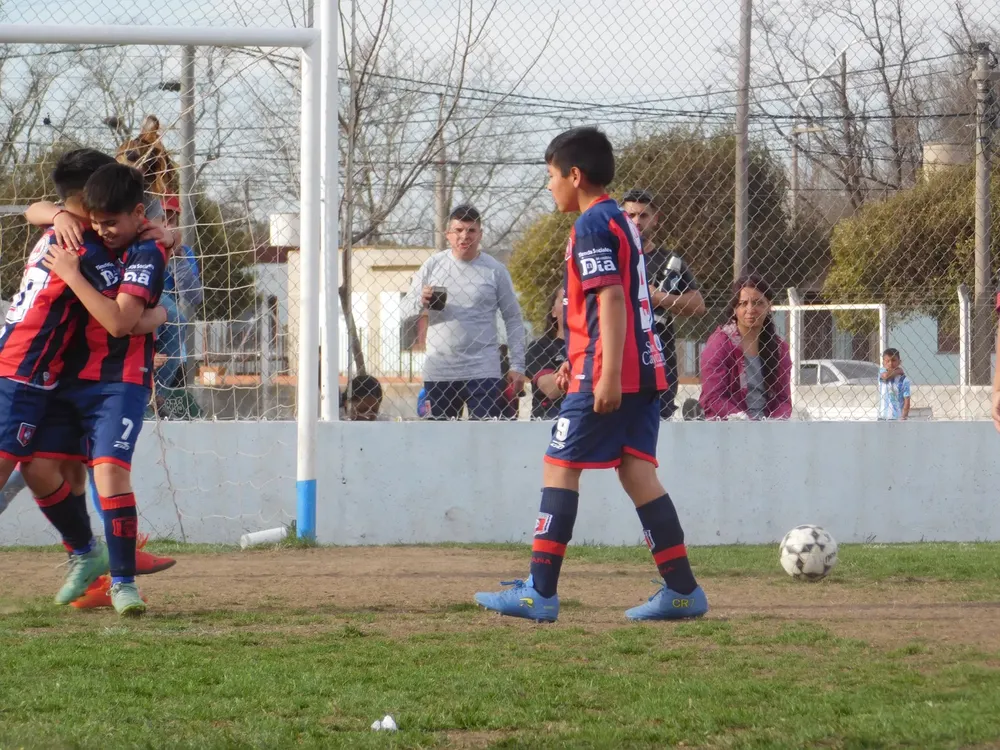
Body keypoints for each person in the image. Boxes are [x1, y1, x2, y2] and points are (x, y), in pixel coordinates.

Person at [474, 126, 708, 623]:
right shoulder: (619, 221)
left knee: (560, 467)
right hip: (643, 371)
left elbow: (612, 299)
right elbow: (609, 303)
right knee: (637, 472)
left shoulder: (592, 224)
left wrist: (600, 376)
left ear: (574, 176)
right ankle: (683, 591)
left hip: (612, 374)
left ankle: (540, 591)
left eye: (551, 176)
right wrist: (580, 357)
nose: (549, 185)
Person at [0, 149, 164, 608]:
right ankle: (91, 555)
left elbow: (120, 318)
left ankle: (107, 569)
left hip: (63, 378)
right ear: (88, 201)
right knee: (41, 470)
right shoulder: (83, 244)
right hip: (30, 374)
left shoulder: (68, 233)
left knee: (70, 471)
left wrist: (162, 242)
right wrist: (157, 314)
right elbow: (120, 318)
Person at [402, 205, 526, 420]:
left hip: (483, 371)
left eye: (471, 230)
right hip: (440, 371)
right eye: (458, 230)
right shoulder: (432, 265)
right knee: (441, 441)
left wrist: (517, 365)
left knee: (485, 439)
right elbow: (404, 311)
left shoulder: (495, 270)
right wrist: (419, 301)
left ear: (480, 234)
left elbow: (513, 318)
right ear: (448, 234)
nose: (464, 236)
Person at [622, 189, 706, 419]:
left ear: (655, 219)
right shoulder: (614, 257)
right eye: (631, 216)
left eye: (643, 215)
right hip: (620, 358)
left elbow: (698, 305)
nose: (637, 222)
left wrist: (658, 297)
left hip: (659, 360)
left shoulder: (670, 261)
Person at [699, 274, 792, 421]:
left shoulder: (779, 348)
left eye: (758, 303)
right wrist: (743, 420)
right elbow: (714, 398)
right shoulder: (720, 343)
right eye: (743, 303)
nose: (751, 309)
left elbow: (783, 400)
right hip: (730, 424)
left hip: (767, 425)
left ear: (769, 306)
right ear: (735, 308)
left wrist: (776, 422)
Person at [524, 287, 567, 420]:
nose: (571, 304)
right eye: (565, 300)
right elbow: (551, 389)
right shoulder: (539, 347)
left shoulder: (596, 344)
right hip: (549, 420)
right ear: (554, 312)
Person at [877, 348, 911, 421]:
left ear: (899, 362)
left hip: (897, 418)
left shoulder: (904, 380)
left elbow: (907, 401)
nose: (890, 363)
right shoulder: (882, 372)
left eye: (893, 360)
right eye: (887, 361)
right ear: (883, 363)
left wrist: (903, 417)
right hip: (882, 416)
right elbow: (885, 377)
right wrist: (899, 371)